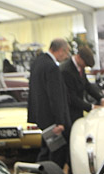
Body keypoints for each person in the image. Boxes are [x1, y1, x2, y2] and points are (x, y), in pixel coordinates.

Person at [27, 38, 72, 167]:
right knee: (54, 152)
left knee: (46, 150)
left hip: (41, 116)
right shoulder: (52, 67)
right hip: (52, 119)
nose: (67, 56)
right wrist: (60, 122)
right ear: (60, 50)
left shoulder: (38, 62)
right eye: (67, 52)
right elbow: (55, 96)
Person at [61, 45, 104, 132]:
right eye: (84, 64)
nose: (85, 67)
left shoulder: (80, 68)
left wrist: (101, 98)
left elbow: (87, 85)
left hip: (78, 112)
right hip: (69, 114)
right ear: (78, 57)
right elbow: (71, 97)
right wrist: (91, 107)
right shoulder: (66, 70)